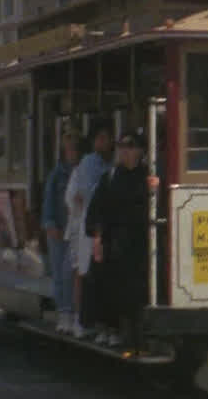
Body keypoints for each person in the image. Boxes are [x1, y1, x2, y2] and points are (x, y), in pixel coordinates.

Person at [85, 132, 160, 351]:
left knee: (136, 290)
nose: (125, 151)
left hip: (139, 242)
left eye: (130, 146)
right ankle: (111, 329)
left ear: (140, 151)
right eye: (121, 146)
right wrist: (97, 237)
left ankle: (136, 335)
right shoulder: (111, 177)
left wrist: (155, 190)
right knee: (110, 287)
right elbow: (96, 209)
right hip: (114, 241)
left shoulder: (147, 176)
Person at [63, 123, 114, 338]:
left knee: (91, 274)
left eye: (108, 137)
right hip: (88, 228)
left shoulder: (109, 164)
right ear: (93, 142)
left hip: (97, 226)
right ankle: (80, 320)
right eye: (101, 138)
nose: (105, 142)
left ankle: (88, 320)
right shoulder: (89, 164)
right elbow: (83, 197)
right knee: (84, 274)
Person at [41, 133, 81, 329]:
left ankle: (73, 312)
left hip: (75, 231)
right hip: (59, 230)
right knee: (60, 273)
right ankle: (64, 313)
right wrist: (49, 223)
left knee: (71, 273)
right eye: (69, 149)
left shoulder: (82, 171)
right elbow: (48, 201)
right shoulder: (57, 175)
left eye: (75, 149)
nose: (72, 153)